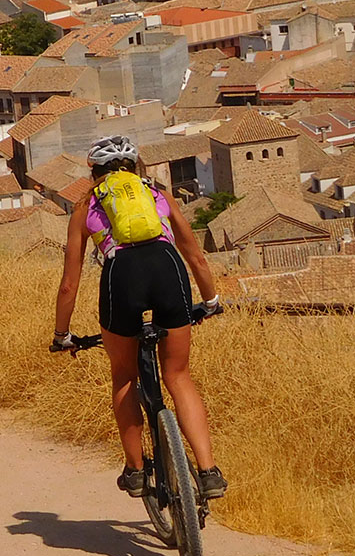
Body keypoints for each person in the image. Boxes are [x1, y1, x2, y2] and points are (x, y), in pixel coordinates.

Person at [52, 135, 227, 501]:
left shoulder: (86, 206)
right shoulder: (158, 193)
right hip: (168, 269)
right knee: (179, 376)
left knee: (124, 376)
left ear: (94, 172)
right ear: (134, 168)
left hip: (122, 277)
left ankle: (135, 471)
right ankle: (209, 472)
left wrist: (62, 334)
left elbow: (70, 284)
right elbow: (196, 256)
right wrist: (210, 301)